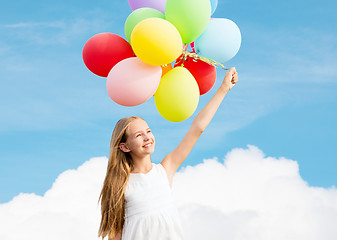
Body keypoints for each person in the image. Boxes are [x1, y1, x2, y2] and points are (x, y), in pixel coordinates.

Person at [98, 67, 239, 240]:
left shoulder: (165, 169)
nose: (147, 138)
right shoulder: (120, 183)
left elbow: (198, 128)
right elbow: (115, 235)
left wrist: (223, 89)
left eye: (148, 131)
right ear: (125, 147)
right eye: (138, 135)